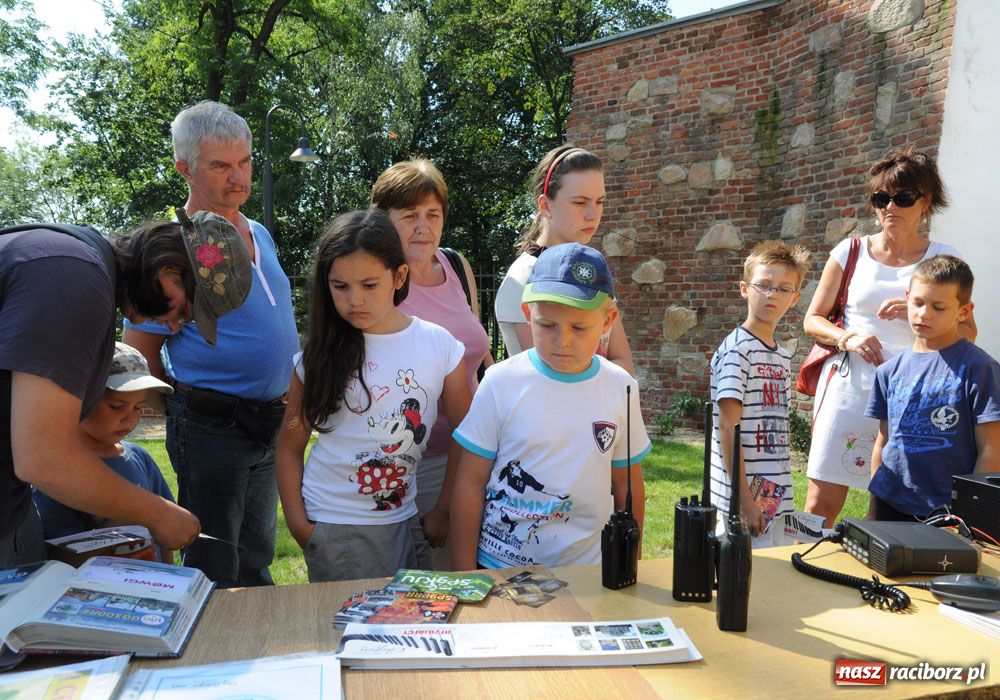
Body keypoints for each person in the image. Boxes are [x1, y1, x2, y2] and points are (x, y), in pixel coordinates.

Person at [1, 209, 251, 567]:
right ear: (168, 271)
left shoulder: (82, 268)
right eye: (186, 310)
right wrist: (158, 514)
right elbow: (44, 456)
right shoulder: (73, 277)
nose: (178, 324)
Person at [123, 101, 300, 588]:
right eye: (220, 165)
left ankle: (259, 650)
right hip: (212, 427)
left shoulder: (257, 230)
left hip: (269, 421)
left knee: (258, 554)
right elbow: (138, 349)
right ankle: (209, 659)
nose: (238, 178)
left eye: (244, 162)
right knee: (215, 561)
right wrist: (183, 409)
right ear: (184, 168)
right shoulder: (170, 248)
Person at [275, 209, 471, 582]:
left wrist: (443, 508)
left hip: (406, 518)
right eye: (340, 286)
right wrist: (301, 526)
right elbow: (288, 446)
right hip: (338, 525)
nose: (354, 301)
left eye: (369, 285)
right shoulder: (317, 355)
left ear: (399, 276)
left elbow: (468, 434)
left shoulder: (439, 345)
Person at [803, 148, 977, 527]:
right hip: (850, 385)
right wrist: (847, 337)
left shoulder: (944, 257)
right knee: (821, 499)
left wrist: (916, 311)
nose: (890, 207)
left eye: (903, 198)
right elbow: (812, 319)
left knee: (888, 499)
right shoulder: (850, 251)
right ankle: (803, 574)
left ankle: (876, 575)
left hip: (912, 390)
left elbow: (968, 332)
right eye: (881, 199)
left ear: (925, 202)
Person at [451, 243, 649, 570]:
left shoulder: (621, 388)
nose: (563, 341)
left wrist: (631, 564)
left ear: (607, 321)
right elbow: (470, 481)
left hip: (589, 570)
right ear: (528, 315)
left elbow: (627, 484)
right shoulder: (500, 382)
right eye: (547, 325)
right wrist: (464, 574)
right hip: (501, 566)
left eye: (579, 327)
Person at [371, 158, 492, 567]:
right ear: (384, 220)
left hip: (473, 451)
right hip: (411, 462)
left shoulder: (456, 266)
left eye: (432, 214)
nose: (423, 226)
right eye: (410, 216)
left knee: (467, 579)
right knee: (419, 584)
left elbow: (478, 352)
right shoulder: (378, 280)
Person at [866, 255, 1000, 520]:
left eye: (938, 307)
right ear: (907, 298)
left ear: (964, 311)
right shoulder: (887, 372)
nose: (924, 314)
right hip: (892, 505)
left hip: (949, 512)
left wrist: (971, 516)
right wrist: (873, 510)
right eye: (917, 303)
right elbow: (883, 443)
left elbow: (992, 450)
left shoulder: (981, 368)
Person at [494, 144, 635, 374]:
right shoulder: (523, 277)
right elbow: (552, 377)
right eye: (580, 202)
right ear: (545, 204)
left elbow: (624, 363)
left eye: (599, 202)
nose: (593, 214)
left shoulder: (591, 271)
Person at [33, 343, 178, 563]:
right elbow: (58, 554)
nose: (130, 417)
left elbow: (166, 533)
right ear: (80, 399)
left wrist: (169, 571)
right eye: (117, 406)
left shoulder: (140, 458)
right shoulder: (58, 469)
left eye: (138, 407)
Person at [710, 241, 809, 548]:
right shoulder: (738, 350)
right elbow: (728, 426)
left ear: (795, 298)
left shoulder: (779, 354)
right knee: (740, 579)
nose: (772, 295)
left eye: (783, 289)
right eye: (763, 285)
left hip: (773, 493)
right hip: (740, 499)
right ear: (744, 288)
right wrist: (745, 502)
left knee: (769, 581)